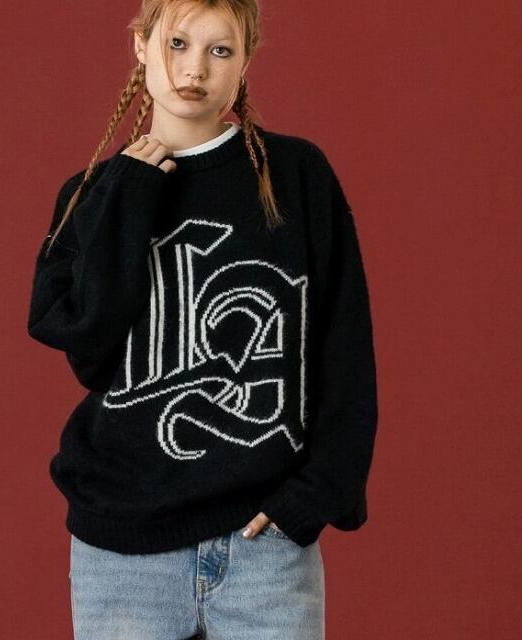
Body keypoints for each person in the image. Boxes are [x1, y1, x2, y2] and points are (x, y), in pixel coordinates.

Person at [26, 0, 378, 638]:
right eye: (178, 44)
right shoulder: (92, 194)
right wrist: (131, 193)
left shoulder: (296, 175)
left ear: (245, 61)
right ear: (140, 45)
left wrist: (317, 494)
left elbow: (344, 345)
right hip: (122, 551)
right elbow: (89, 349)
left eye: (221, 50)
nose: (195, 70)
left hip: (264, 548)